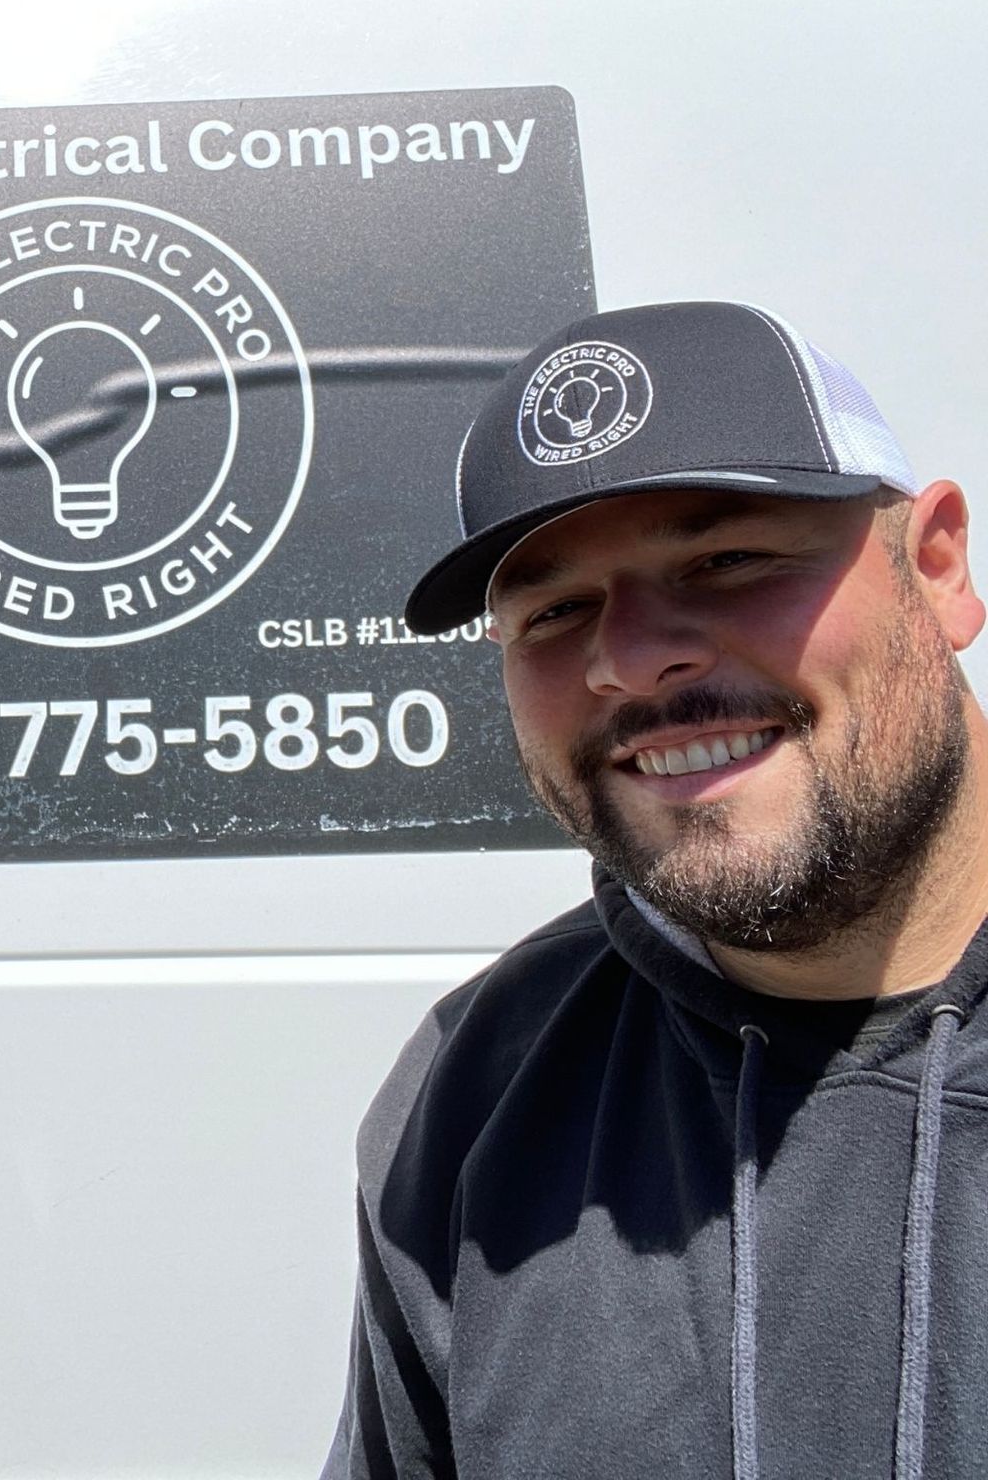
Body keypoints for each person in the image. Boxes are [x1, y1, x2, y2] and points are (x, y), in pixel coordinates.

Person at [323, 300, 988, 1480]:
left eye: (728, 559)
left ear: (937, 566)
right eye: (556, 609)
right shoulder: (480, 1089)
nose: (630, 659)